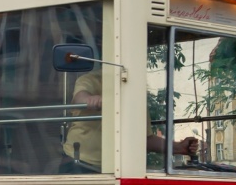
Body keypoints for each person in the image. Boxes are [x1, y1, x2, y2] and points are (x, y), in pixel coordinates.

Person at [60, 68, 197, 173]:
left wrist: (178, 147)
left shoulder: (136, 93)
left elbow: (144, 139)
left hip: (115, 169)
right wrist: (91, 100)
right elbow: (79, 98)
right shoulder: (90, 79)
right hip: (78, 163)